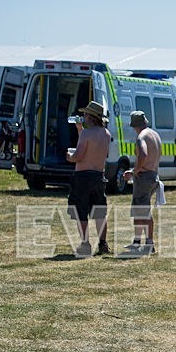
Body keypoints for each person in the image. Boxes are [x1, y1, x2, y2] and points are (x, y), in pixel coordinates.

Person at [66, 101, 110, 258]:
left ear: (91, 117)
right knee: (99, 212)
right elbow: (95, 149)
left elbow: (79, 156)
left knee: (81, 211)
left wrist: (69, 157)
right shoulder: (106, 133)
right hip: (98, 176)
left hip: (83, 177)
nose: (83, 116)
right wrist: (80, 130)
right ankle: (103, 244)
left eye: (85, 114)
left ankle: (85, 244)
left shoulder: (87, 134)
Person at [122, 111, 162, 255]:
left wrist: (134, 171)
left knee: (143, 211)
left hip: (144, 176)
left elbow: (143, 155)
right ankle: (137, 241)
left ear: (134, 125)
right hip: (153, 175)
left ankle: (149, 243)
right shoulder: (154, 134)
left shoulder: (141, 137)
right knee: (140, 209)